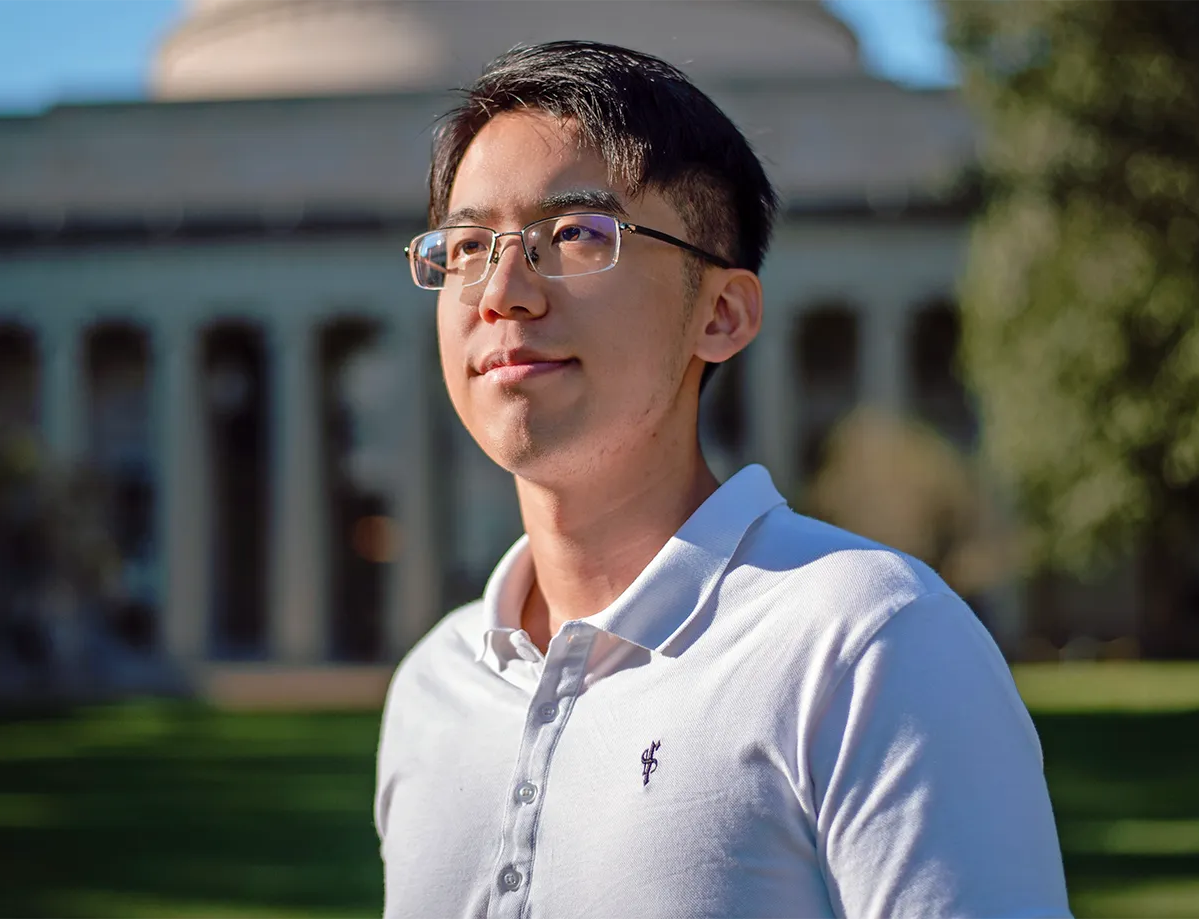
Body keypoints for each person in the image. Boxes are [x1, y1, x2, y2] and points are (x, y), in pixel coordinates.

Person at [375, 40, 1072, 919]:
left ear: (723, 313)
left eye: (578, 234)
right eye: (469, 245)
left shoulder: (867, 642)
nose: (503, 291)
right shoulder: (430, 689)